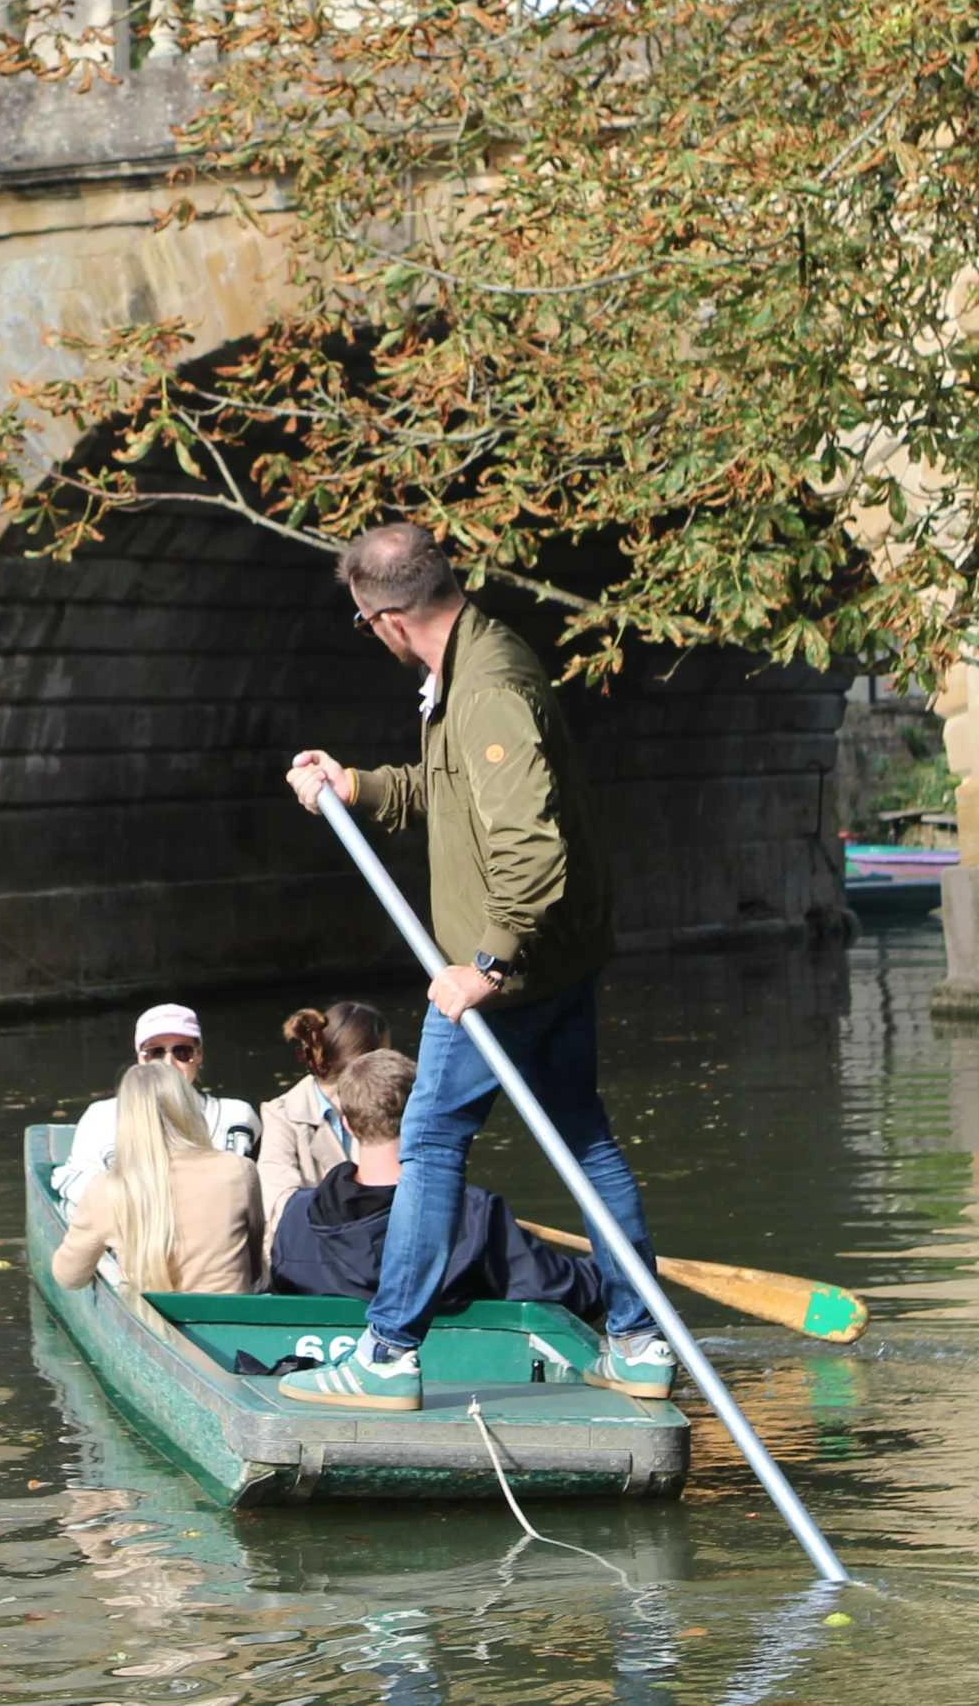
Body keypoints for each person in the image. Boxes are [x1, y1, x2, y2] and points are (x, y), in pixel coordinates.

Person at [281, 522, 673, 1411]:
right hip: (556, 957)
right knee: (586, 1138)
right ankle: (640, 1342)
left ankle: (386, 1354)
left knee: (426, 1143)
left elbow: (533, 851)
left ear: (383, 618)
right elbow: (443, 789)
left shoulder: (488, 687)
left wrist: (486, 967)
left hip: (510, 972)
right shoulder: (472, 662)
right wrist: (358, 784)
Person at [267, 1049, 608, 1321]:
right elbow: (565, 1293)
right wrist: (611, 1263)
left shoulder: (295, 1219)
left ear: (348, 1124)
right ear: (423, 1113)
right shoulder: (473, 1215)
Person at [51, 1060, 263, 1295]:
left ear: (126, 1119)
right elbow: (254, 1266)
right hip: (228, 1316)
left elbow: (69, 1276)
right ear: (188, 1107)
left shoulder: (106, 1189)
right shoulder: (238, 1170)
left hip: (153, 1318)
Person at [50, 1002, 258, 1204]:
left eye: (182, 1051)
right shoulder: (101, 1117)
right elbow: (74, 1181)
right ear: (141, 1059)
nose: (168, 1063)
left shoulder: (237, 1115)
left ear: (199, 1054)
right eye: (156, 1053)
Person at [256, 999, 389, 1236]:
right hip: (311, 1256)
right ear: (368, 1062)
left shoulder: (390, 1106)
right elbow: (280, 1208)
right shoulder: (281, 1115)